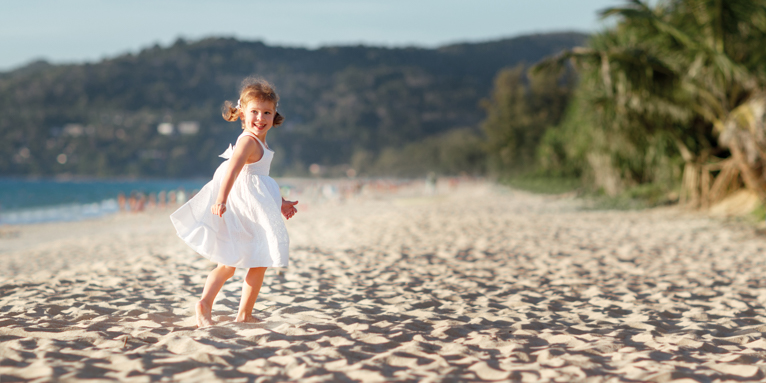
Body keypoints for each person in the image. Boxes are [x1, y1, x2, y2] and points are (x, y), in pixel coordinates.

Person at [170, 78, 298, 328]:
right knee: (257, 262)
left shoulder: (258, 140)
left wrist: (280, 202)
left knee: (229, 263)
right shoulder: (248, 141)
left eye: (266, 113)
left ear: (274, 116)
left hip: (252, 204)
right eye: (254, 112)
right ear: (242, 112)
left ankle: (209, 304)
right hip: (243, 208)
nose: (260, 118)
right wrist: (221, 198)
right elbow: (232, 170)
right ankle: (239, 313)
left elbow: (260, 178)